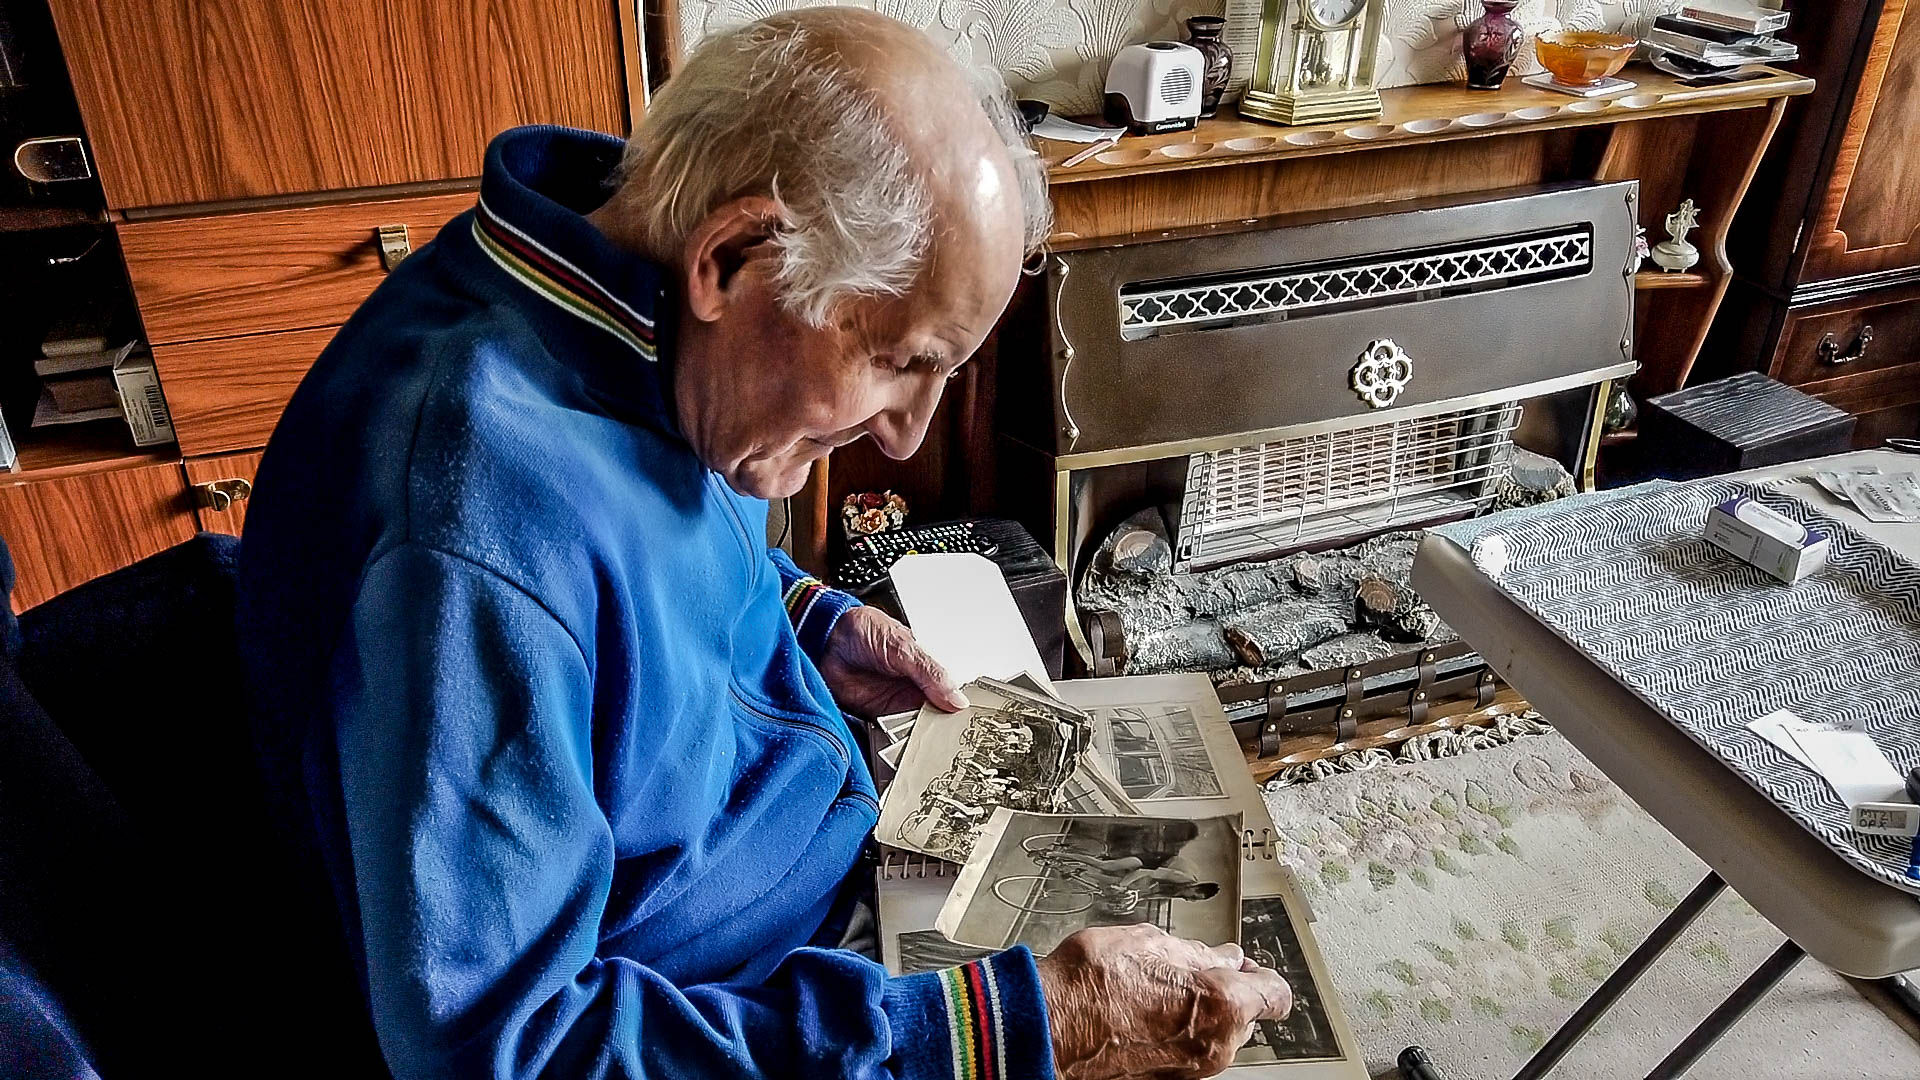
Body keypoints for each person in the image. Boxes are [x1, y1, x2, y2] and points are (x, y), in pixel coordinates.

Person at [237, 9, 1291, 1080]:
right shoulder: (467, 551)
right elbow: (508, 1056)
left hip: (807, 873)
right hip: (729, 1010)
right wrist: (1004, 1032)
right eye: (896, 359)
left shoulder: (634, 302)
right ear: (732, 253)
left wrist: (798, 612)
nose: (906, 433)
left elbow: (642, 560)